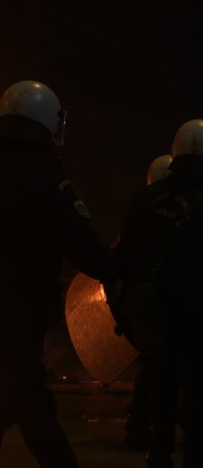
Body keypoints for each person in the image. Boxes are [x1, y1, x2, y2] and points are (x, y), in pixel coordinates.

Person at [0, 80, 119, 468]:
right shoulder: (43, 173)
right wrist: (118, 269)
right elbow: (78, 239)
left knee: (25, 400)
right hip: (20, 310)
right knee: (1, 402)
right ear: (46, 122)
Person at [115, 119, 203, 468]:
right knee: (197, 391)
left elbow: (125, 258)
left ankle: (158, 452)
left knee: (160, 384)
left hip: (156, 311)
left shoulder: (148, 198)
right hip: (197, 313)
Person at [119, 153, 172, 452]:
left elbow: (125, 254)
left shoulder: (143, 205)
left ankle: (139, 428)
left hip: (146, 301)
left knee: (153, 365)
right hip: (174, 300)